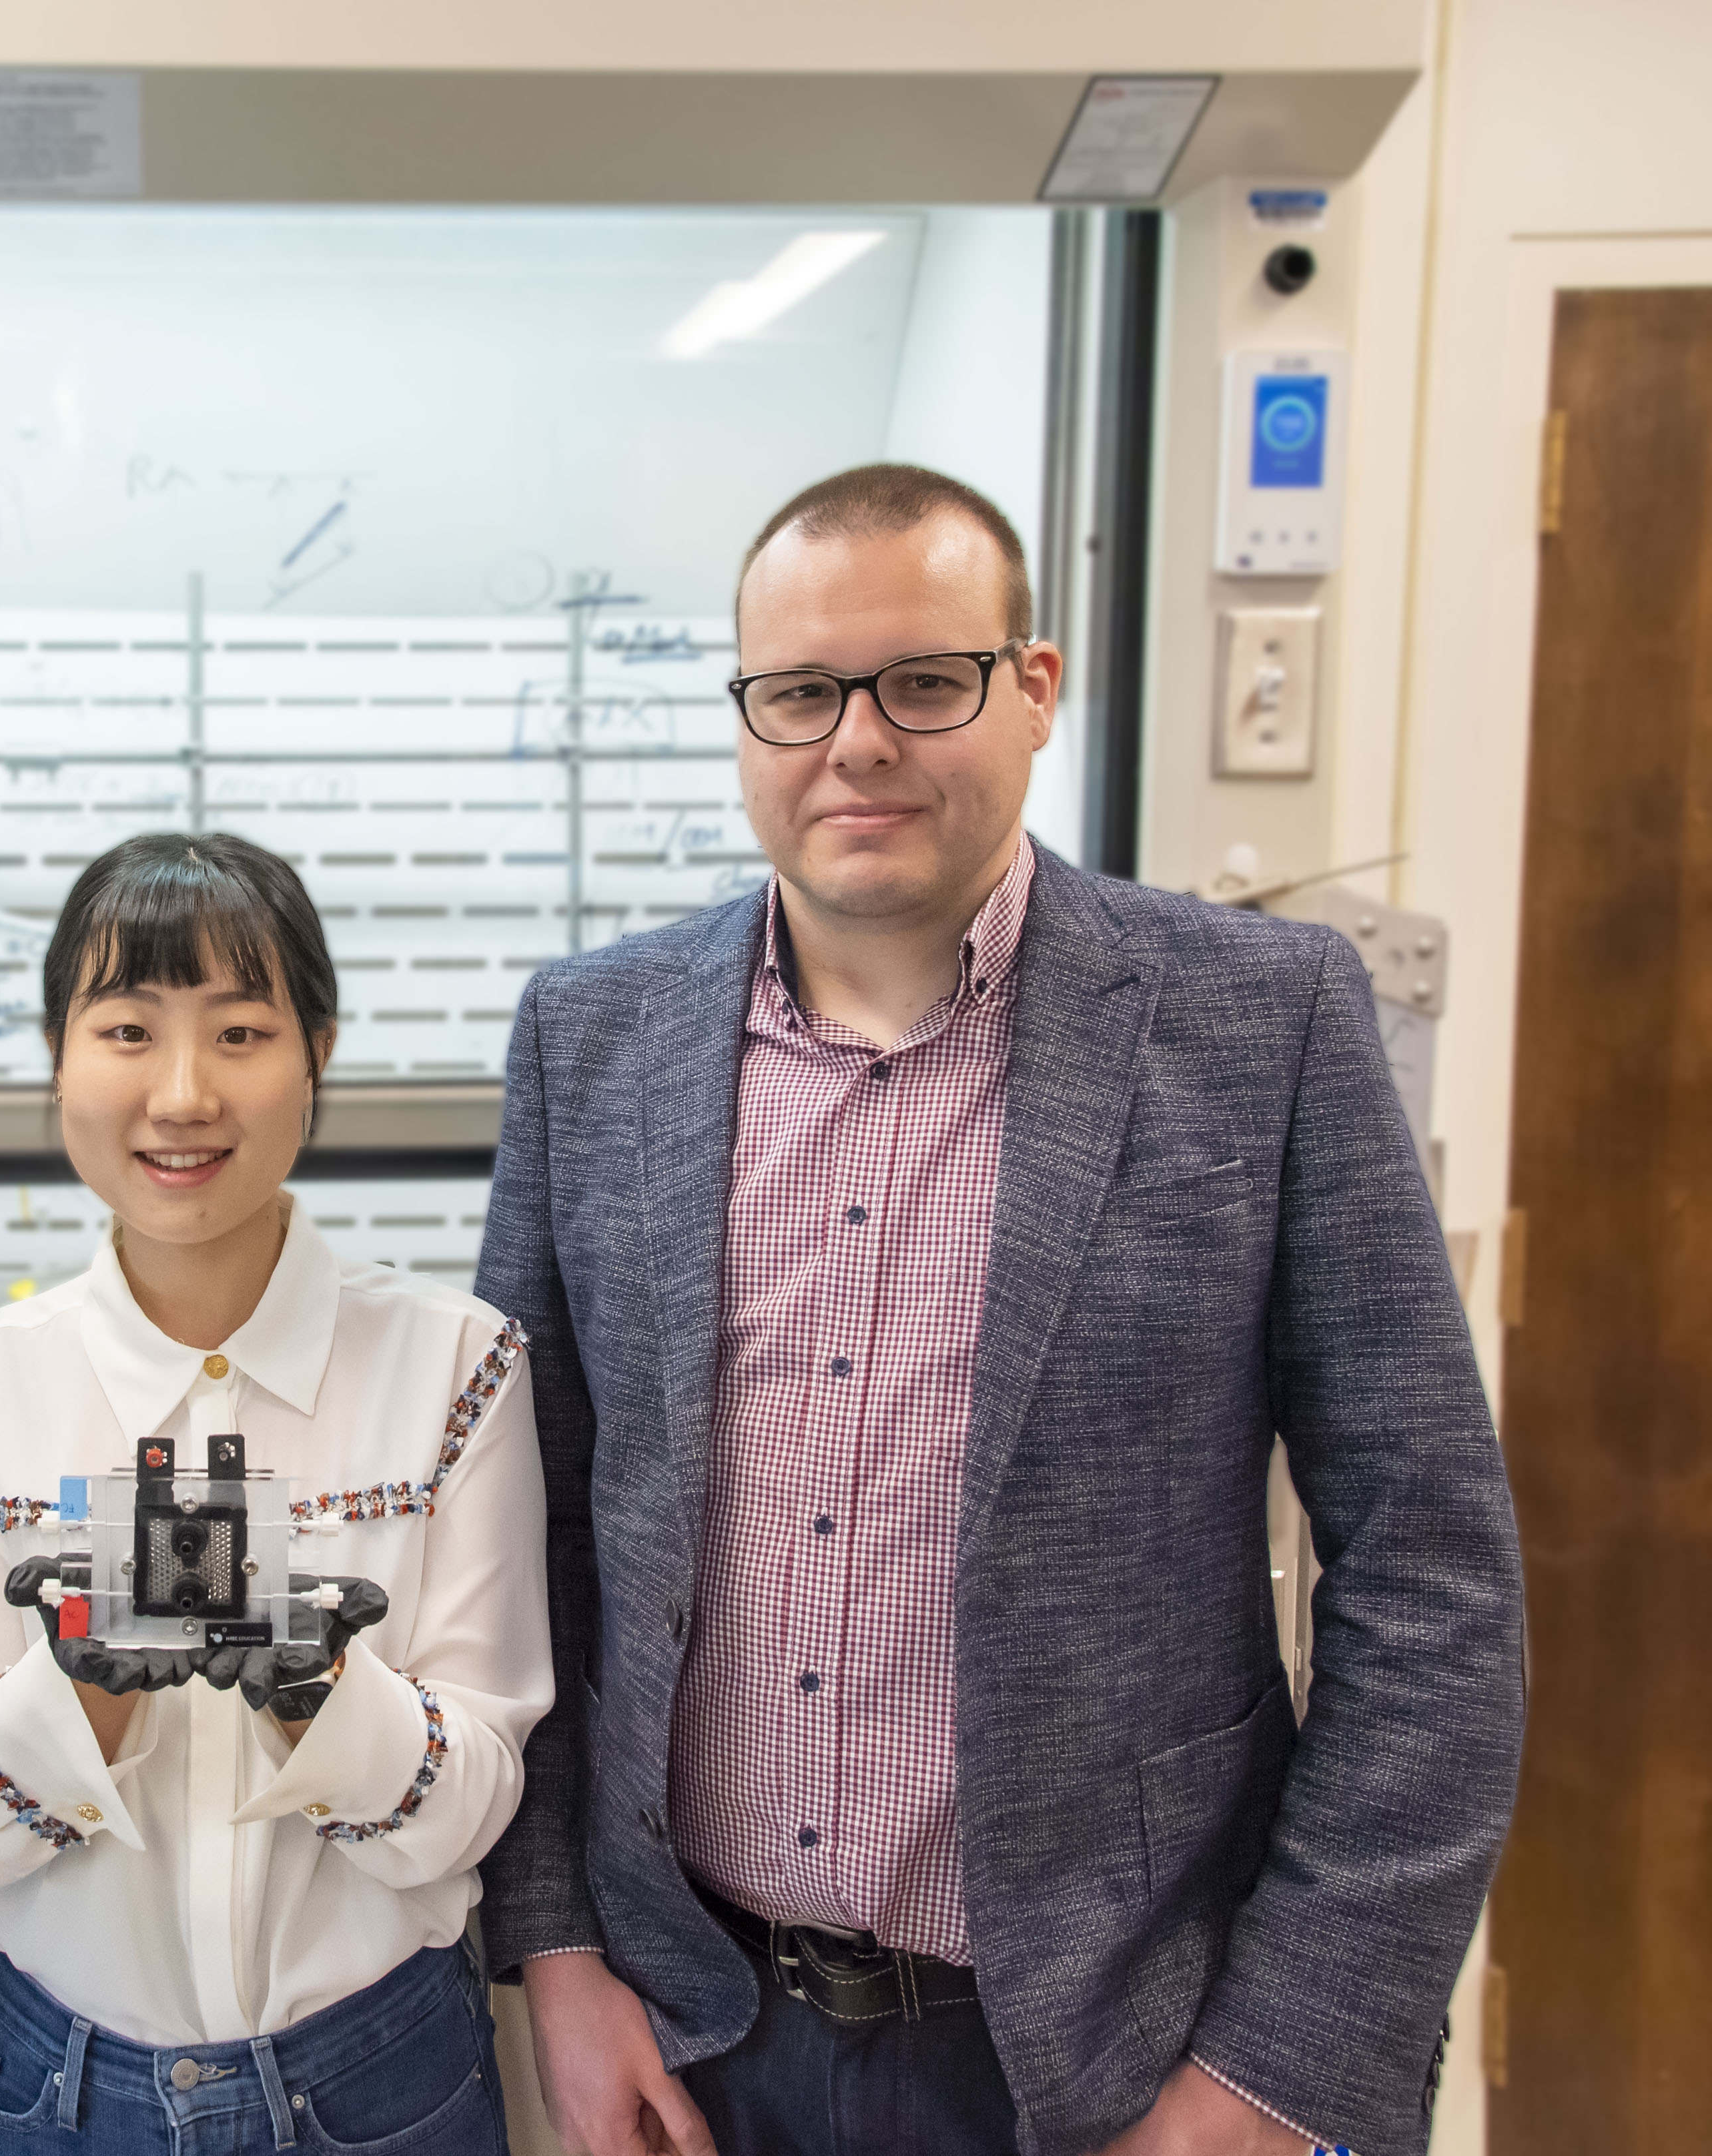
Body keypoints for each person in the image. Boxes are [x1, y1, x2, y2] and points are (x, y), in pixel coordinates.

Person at [474, 464, 1524, 2156]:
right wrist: (557, 1949)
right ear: (744, 716)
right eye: (800, 691)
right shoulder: (588, 1043)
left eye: (924, 680)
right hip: (699, 2040)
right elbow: (519, 1546)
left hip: (1118, 2054)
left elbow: (1431, 1585)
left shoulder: (1262, 1026)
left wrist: (1269, 2069)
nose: (857, 740)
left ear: (1033, 689)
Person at [0, 832, 552, 2155]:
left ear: (316, 1050)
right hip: (35, 2076)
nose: (182, 1092)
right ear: (57, 1054)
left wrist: (314, 1683)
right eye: (127, 1028)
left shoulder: (458, 1367)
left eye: (240, 1030)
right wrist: (79, 1673)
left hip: (375, 2075)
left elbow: (467, 1807)